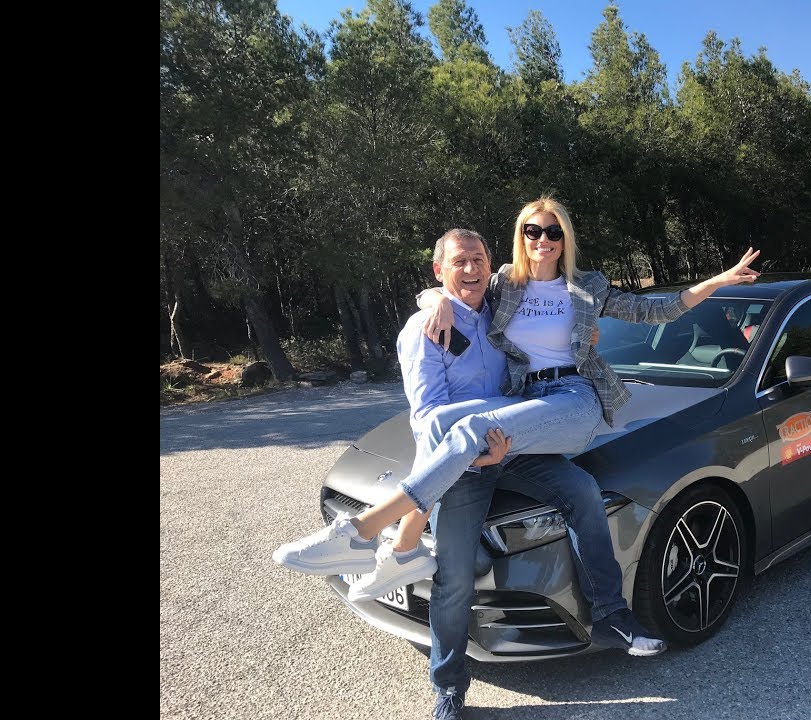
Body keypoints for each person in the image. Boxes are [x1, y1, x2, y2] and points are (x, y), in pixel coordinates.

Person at [275, 198, 759, 682]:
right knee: (483, 452)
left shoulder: (588, 286)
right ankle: (451, 654)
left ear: (565, 239)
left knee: (469, 433)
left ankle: (364, 533)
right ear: (520, 237)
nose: (543, 240)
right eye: (533, 231)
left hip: (572, 398)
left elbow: (655, 310)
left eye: (553, 232)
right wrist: (433, 299)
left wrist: (718, 281)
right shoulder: (505, 283)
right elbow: (455, 285)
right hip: (520, 403)